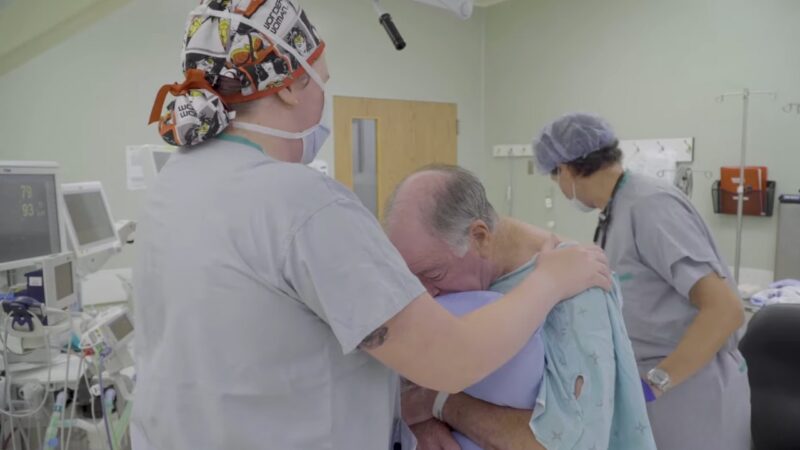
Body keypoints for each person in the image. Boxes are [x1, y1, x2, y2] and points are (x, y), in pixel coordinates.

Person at [131, 2, 612, 449]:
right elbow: (451, 359)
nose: (324, 97)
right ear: (290, 84)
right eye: (322, 80)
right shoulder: (302, 204)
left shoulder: (172, 187)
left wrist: (422, 413)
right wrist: (551, 280)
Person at [385, 165, 656, 450]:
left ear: (480, 237)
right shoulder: (451, 270)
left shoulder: (578, 289)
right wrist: (420, 424)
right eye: (409, 280)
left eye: (435, 275)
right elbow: (403, 387)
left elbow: (570, 445)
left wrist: (440, 403)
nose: (423, 295)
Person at [533, 113, 751, 449]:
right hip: (660, 389)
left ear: (565, 169)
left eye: (554, 176)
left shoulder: (651, 206)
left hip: (690, 389)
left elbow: (725, 309)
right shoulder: (618, 208)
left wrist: (658, 381)